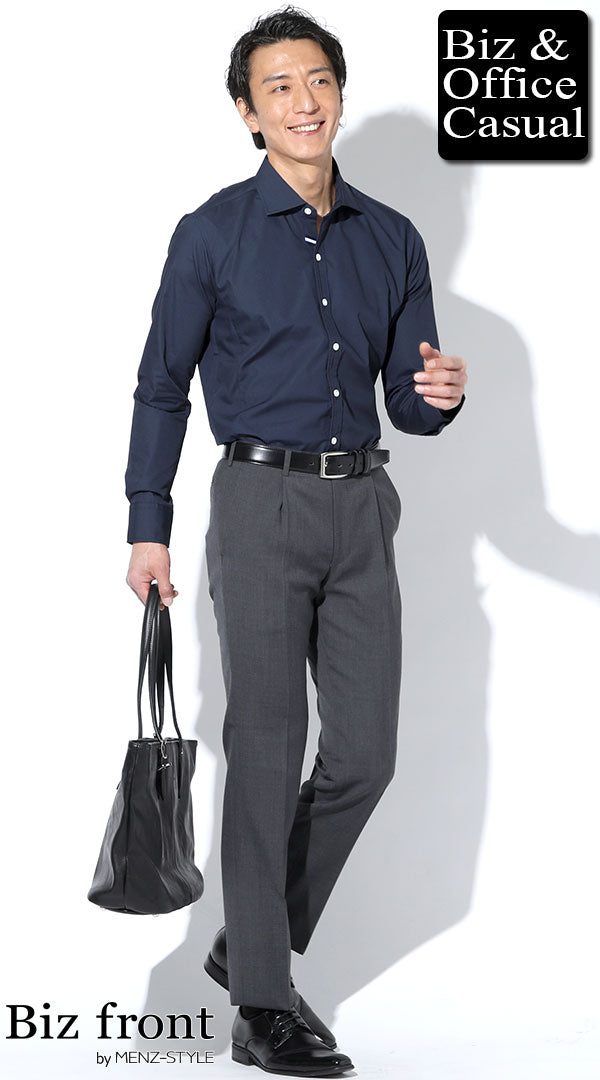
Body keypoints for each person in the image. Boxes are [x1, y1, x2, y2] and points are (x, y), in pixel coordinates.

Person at [125, 6, 467, 1075]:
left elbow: (408, 401)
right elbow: (161, 386)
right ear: (248, 111)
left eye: (317, 80)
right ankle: (262, 1007)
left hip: (362, 507)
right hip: (257, 505)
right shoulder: (211, 233)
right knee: (268, 754)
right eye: (278, 86)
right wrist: (148, 526)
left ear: (339, 93)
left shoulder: (393, 238)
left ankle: (253, 942)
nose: (303, 101)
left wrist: (438, 398)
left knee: (365, 756)